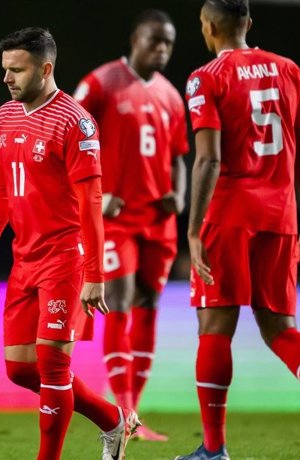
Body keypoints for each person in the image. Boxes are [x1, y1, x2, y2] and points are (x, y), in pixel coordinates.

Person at [175, 1, 300, 459]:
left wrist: (194, 231)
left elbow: (209, 159)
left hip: (228, 215)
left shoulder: (204, 77)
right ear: (248, 24)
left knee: (215, 326)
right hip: (280, 215)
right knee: (280, 327)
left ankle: (213, 450)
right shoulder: (289, 70)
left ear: (209, 26)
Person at [0, 27, 140, 460]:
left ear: (46, 69)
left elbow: (91, 204)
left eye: (17, 70)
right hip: (24, 258)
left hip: (65, 258)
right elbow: (2, 186)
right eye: (5, 69)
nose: (7, 78)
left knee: (54, 367)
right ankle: (113, 421)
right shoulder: (5, 116)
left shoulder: (75, 122)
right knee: (21, 369)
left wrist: (96, 275)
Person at [73, 9, 189, 442]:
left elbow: (179, 156)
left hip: (158, 222)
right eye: (154, 40)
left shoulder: (171, 96)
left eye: (168, 43)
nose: (161, 49)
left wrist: (179, 196)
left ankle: (133, 415)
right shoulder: (101, 83)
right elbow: (66, 137)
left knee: (147, 308)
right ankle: (122, 414)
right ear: (135, 39)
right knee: (118, 303)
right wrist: (97, 197)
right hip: (114, 221)